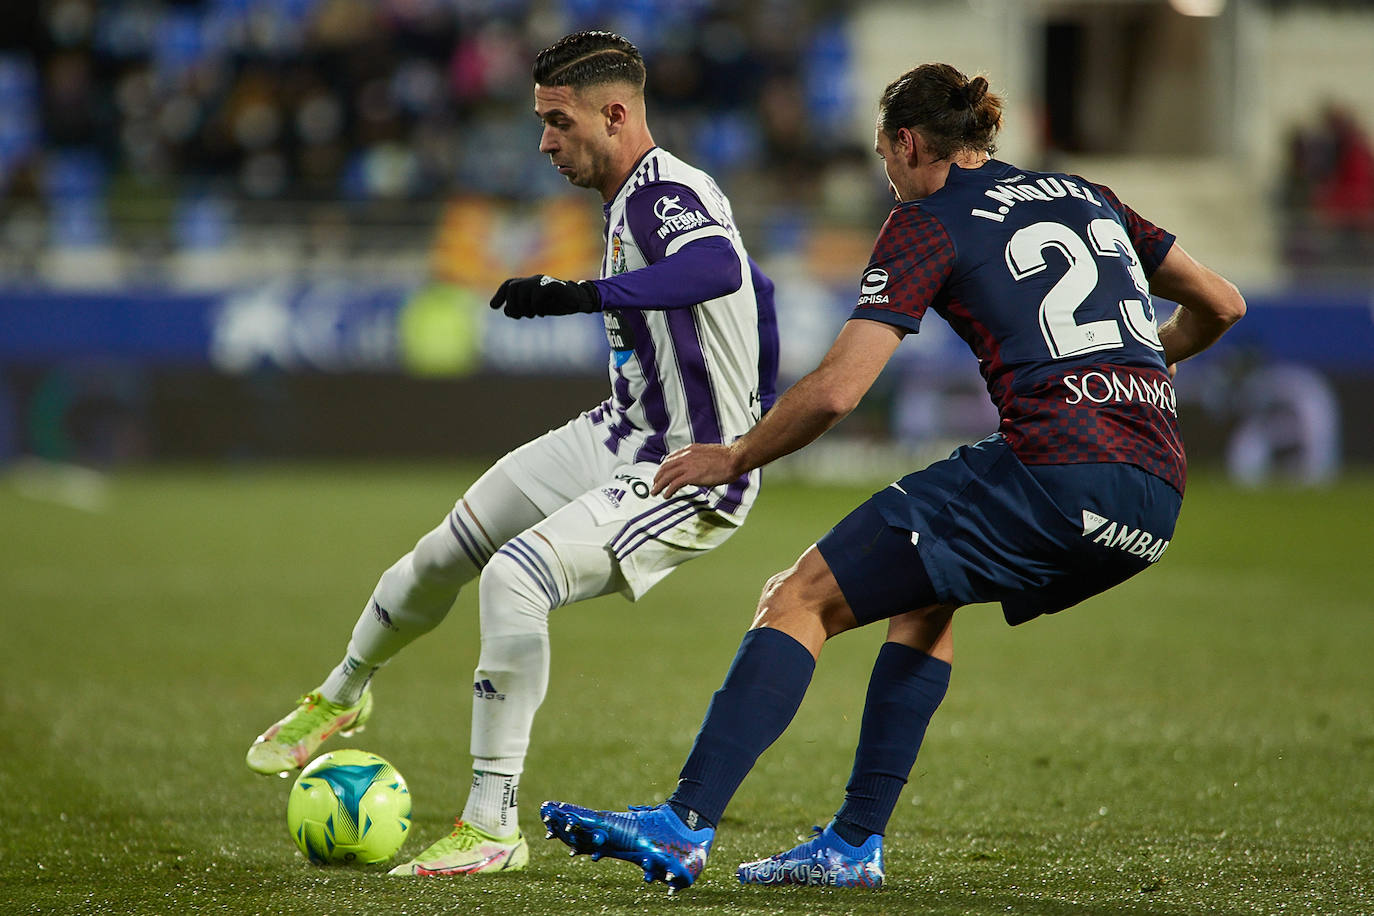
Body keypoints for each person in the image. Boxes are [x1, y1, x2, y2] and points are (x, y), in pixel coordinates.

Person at [539, 62, 1245, 892]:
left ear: (909, 143)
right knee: (924, 590)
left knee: (798, 595)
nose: (886, 174)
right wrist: (1135, 358)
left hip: (1057, 472)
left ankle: (685, 822)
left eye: (883, 155)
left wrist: (733, 456)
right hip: (1156, 496)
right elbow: (1223, 303)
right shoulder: (1088, 197)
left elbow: (839, 391)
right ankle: (852, 844)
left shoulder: (928, 219)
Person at [245, 29, 778, 878]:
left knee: (514, 575)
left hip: (687, 468)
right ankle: (341, 694)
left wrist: (582, 296)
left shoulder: (662, 191)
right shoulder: (632, 196)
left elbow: (717, 267)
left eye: (558, 122)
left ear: (614, 113)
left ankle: (493, 824)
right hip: (617, 431)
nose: (543, 142)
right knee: (447, 549)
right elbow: (760, 284)